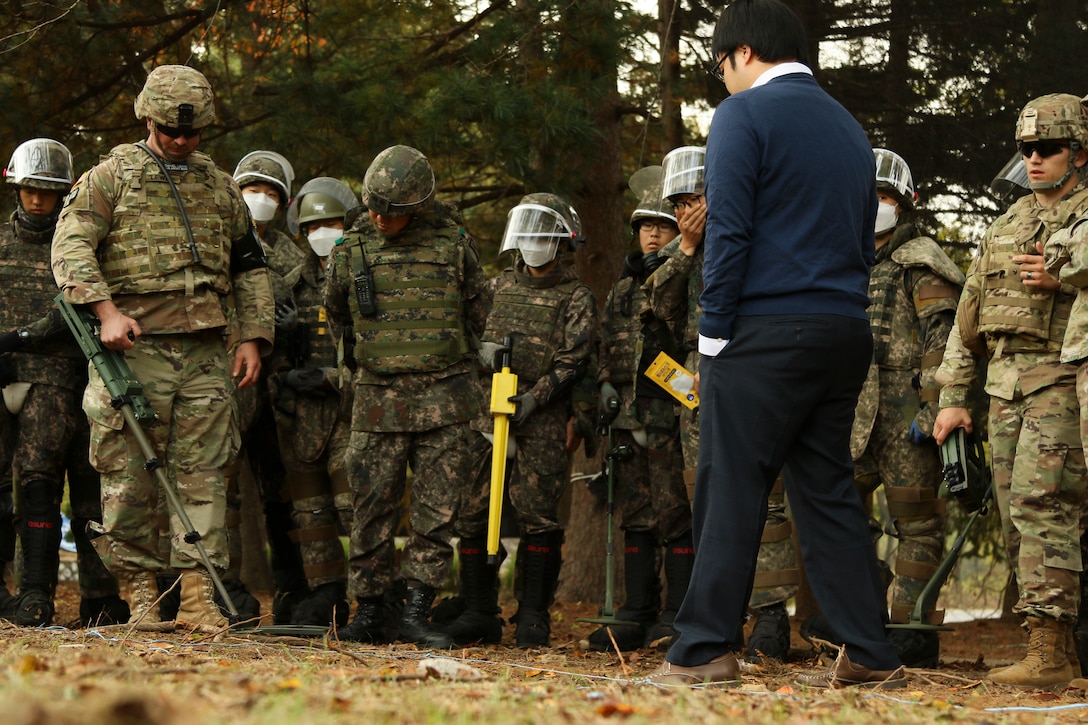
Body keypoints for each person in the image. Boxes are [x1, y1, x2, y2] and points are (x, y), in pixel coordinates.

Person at [647, 0, 904, 688]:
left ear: (742, 53)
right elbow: (859, 234)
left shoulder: (743, 115)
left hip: (765, 331)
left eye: (719, 65)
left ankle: (704, 647)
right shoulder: (850, 127)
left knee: (729, 483)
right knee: (824, 489)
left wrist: (714, 332)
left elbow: (729, 230)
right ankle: (871, 653)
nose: (720, 80)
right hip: (842, 329)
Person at [51, 65, 275, 629]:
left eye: (192, 132)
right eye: (170, 131)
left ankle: (199, 599)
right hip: (133, 349)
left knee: (205, 472)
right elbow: (71, 246)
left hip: (204, 352)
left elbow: (249, 265)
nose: (180, 141)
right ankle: (141, 597)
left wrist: (251, 336)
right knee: (127, 475)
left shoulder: (220, 186)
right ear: (148, 119)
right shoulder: (110, 177)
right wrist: (105, 311)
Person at [935, 93, 1088, 690]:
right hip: (1003, 388)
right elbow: (968, 314)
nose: (1034, 159)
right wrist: (954, 395)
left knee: (1044, 507)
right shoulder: (1008, 222)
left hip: (1059, 380)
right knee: (1013, 515)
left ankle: (1050, 653)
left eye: (1047, 148)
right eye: (1026, 149)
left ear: (1078, 151)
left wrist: (1064, 274)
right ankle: (1057, 653)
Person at [804, 149, 965, 667]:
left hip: (905, 412)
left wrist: (933, 406)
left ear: (904, 203)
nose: (874, 204)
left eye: (884, 196)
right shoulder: (837, 258)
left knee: (916, 522)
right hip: (847, 411)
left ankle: (911, 628)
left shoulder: (921, 261)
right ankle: (859, 619)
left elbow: (945, 336)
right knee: (844, 518)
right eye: (866, 195)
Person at [325, 145, 490, 647]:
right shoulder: (349, 250)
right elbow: (337, 317)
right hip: (377, 403)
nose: (380, 218)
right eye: (374, 208)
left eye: (393, 211)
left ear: (417, 205)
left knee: (435, 516)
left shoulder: (455, 244)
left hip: (446, 401)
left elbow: (478, 313)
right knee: (370, 511)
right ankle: (371, 610)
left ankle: (417, 611)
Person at [646, 145, 800, 661]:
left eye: (697, 200)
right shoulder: (680, 251)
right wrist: (687, 247)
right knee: (706, 503)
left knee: (768, 498)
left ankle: (772, 616)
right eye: (679, 204)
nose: (688, 211)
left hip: (754, 363)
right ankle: (718, 621)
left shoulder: (756, 230)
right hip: (698, 379)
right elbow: (658, 307)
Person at [445, 192, 597, 648]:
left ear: (562, 242)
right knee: (473, 510)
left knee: (537, 515)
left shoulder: (576, 296)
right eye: (527, 234)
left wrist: (536, 398)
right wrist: (481, 354)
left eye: (543, 235)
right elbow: (466, 337)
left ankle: (533, 614)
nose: (533, 244)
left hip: (542, 420)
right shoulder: (496, 289)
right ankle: (477, 609)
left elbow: (575, 358)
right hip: (488, 414)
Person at [0, 138, 129, 627]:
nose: (38, 200)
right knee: (19, 489)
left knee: (71, 488)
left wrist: (26, 336)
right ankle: (20, 594)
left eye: (48, 192)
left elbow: (93, 302)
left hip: (73, 382)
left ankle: (72, 596)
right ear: (17, 187)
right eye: (31, 189)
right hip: (11, 381)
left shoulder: (79, 247)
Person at [586, 167, 691, 652]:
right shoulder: (625, 284)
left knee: (675, 511)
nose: (652, 233)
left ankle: (677, 611)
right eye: (645, 225)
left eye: (662, 224)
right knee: (635, 511)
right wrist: (605, 385)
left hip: (672, 414)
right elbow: (608, 341)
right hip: (626, 417)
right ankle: (637, 609)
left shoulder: (690, 273)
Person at [270, 177, 360, 626]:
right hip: (301, 420)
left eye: (332, 223)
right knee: (310, 511)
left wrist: (332, 378)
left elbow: (379, 355)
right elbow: (272, 363)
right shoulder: (290, 286)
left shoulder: (363, 281)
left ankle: (376, 596)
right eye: (313, 226)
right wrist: (287, 367)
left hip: (350, 415)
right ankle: (327, 596)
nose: (323, 233)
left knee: (354, 506)